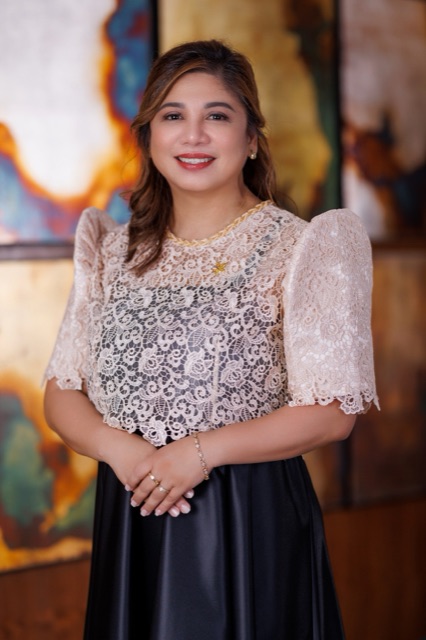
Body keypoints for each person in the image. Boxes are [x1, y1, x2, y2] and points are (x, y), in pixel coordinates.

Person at [44, 39, 379, 640]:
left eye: (217, 116)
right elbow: (62, 391)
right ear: (149, 137)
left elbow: (333, 412)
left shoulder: (303, 247)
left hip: (245, 517)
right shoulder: (113, 251)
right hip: (132, 506)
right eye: (173, 115)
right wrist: (124, 453)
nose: (193, 135)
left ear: (251, 139)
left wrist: (198, 453)